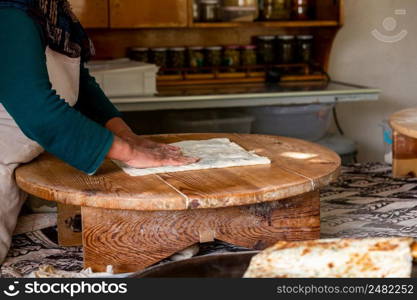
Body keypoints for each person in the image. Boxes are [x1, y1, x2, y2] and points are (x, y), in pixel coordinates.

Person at [0, 0, 198, 263]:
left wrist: (128, 136)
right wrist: (127, 153)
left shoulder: (48, 11)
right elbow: (38, 110)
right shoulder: (9, 14)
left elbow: (77, 84)